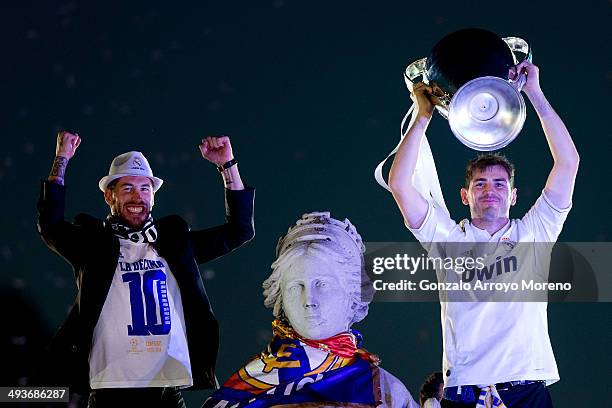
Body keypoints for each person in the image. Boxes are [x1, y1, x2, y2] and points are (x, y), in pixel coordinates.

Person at [388, 59, 579, 408]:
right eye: (480, 183)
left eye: (499, 183)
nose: (490, 189)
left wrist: (534, 93)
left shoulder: (535, 232)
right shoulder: (447, 240)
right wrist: (423, 115)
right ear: (465, 195)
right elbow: (399, 184)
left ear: (513, 195)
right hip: (464, 390)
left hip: (526, 389)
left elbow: (568, 162)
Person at [37, 131, 255, 407]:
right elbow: (51, 225)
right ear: (108, 196)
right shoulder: (93, 245)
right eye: (127, 188)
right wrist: (62, 159)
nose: (137, 196)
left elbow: (240, 231)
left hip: (166, 388)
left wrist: (227, 165)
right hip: (110, 388)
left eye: (144, 189)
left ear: (153, 196)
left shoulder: (175, 243)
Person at [202, 212, 419, 407]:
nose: (309, 300)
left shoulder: (387, 391)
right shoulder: (242, 390)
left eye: (322, 285)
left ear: (353, 294)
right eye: (297, 287)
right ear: (281, 298)